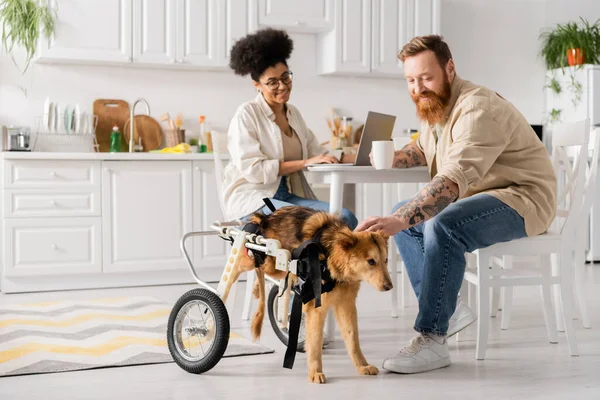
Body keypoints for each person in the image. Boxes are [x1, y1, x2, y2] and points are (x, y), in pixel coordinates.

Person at [355, 35, 557, 374]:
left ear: (450, 68)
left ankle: (432, 337)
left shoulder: (477, 108)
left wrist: (400, 220)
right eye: (411, 80)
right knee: (405, 210)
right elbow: (424, 150)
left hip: (524, 198)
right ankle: (450, 310)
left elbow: (450, 181)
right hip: (487, 196)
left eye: (426, 77)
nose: (418, 88)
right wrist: (392, 158)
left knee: (438, 223)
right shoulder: (435, 107)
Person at [222, 28, 358, 229]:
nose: (283, 86)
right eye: (272, 82)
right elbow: (255, 171)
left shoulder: (293, 113)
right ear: (257, 85)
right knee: (319, 225)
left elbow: (319, 154)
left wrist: (361, 155)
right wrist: (304, 163)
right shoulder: (247, 113)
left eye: (286, 77)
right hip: (254, 200)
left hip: (287, 197)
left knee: (345, 217)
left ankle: (319, 262)